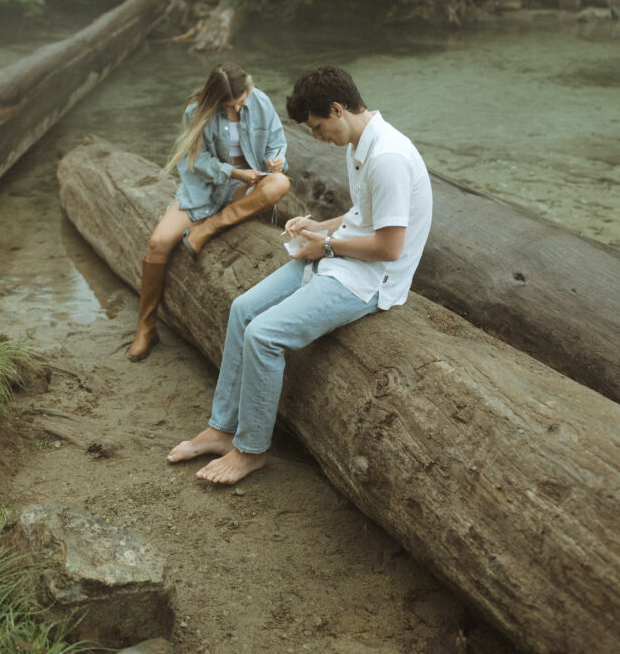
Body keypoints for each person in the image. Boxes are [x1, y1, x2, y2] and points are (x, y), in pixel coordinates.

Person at [167, 65, 432, 484]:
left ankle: (251, 450)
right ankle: (221, 429)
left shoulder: (387, 158)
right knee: (242, 310)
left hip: (369, 280)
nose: (316, 137)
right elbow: (365, 216)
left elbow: (390, 247)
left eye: (318, 126)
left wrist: (325, 246)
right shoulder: (361, 143)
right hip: (340, 257)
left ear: (338, 109)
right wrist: (320, 227)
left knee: (264, 335)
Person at [126, 62, 290, 362]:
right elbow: (196, 161)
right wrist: (233, 173)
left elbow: (277, 144)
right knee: (158, 243)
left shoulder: (260, 101)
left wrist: (275, 160)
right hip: (206, 190)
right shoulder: (196, 112)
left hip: (246, 189)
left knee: (280, 182)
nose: (238, 109)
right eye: (230, 105)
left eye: (241, 102)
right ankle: (146, 327)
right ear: (215, 99)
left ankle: (209, 227)